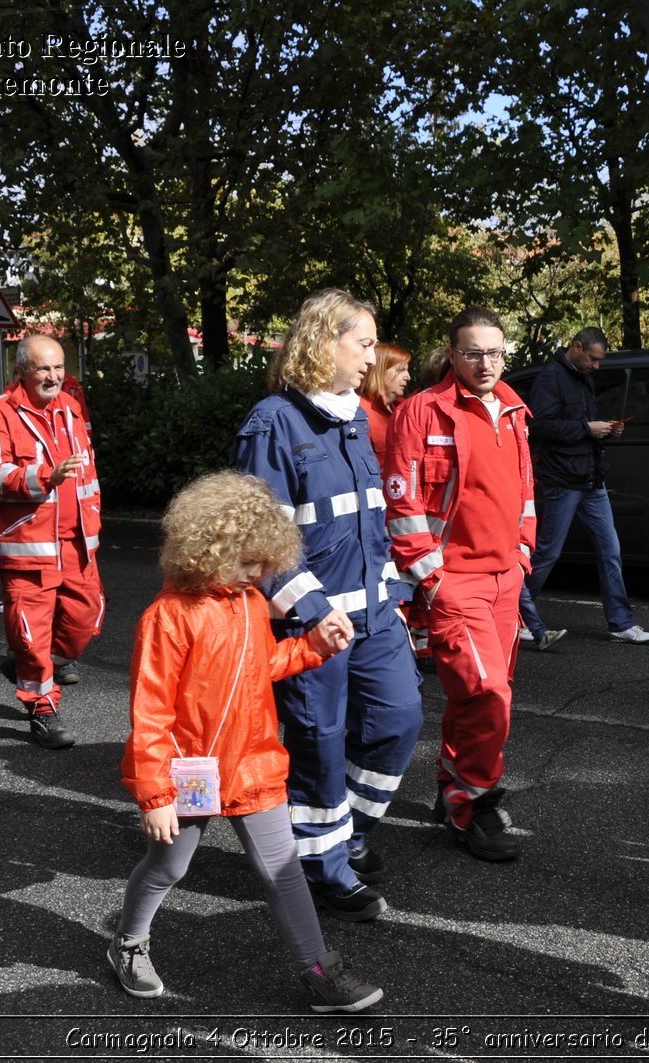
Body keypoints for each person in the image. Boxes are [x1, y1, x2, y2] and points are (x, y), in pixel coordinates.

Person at [112, 470, 382, 1013]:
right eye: (248, 562)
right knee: (169, 866)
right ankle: (128, 942)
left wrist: (313, 646)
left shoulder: (250, 603)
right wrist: (156, 793)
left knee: (283, 872)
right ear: (208, 550)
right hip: (190, 770)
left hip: (254, 761)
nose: (259, 574)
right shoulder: (168, 616)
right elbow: (151, 712)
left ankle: (318, 971)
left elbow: (263, 666)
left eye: (264, 562)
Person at [232, 290, 422, 922]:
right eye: (364, 343)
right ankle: (321, 869)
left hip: (373, 616)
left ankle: (349, 836)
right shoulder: (273, 422)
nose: (372, 357)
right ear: (323, 342)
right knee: (319, 743)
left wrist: (393, 598)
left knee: (399, 720)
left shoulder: (354, 418)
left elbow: (372, 525)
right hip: (313, 628)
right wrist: (314, 612)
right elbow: (263, 542)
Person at [386, 307, 535, 861]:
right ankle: (472, 805)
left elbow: (525, 490)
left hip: (504, 581)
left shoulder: (516, 410)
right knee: (487, 696)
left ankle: (452, 787)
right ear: (453, 356)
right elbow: (401, 502)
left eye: (494, 351)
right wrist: (432, 577)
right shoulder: (422, 411)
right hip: (456, 584)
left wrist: (521, 555)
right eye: (473, 352)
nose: (485, 362)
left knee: (478, 696)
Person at [0, 335, 104, 750]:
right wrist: (46, 476)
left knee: (86, 622)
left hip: (77, 544)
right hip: (27, 548)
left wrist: (95, 523)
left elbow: (88, 476)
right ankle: (42, 707)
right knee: (32, 635)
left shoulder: (71, 407)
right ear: (22, 371)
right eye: (43, 369)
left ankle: (34, 666)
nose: (53, 376)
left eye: (58, 367)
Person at [518, 327, 649, 650]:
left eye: (599, 361)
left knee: (610, 550)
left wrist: (607, 431)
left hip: (592, 479)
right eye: (593, 359)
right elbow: (540, 426)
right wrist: (586, 428)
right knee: (548, 552)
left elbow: (582, 431)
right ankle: (513, 612)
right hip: (562, 480)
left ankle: (620, 623)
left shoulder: (583, 376)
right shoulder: (551, 377)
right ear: (577, 347)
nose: (597, 366)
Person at [359, 342, 412, 469]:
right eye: (401, 370)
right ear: (380, 371)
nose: (408, 377)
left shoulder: (407, 408)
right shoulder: (358, 411)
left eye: (407, 370)